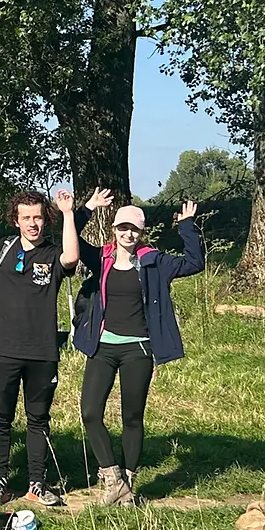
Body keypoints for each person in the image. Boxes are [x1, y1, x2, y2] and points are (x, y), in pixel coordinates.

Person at [72, 200, 203, 506]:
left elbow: (195, 262)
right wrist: (86, 208)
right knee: (90, 412)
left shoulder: (154, 261)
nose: (128, 234)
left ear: (142, 232)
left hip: (138, 348)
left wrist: (186, 226)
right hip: (102, 346)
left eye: (134, 229)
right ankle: (112, 479)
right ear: (114, 229)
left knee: (132, 417)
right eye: (123, 228)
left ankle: (128, 483)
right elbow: (71, 236)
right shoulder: (101, 258)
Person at [0, 187, 87, 507]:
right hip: (3, 348)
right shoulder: (4, 248)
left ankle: (36, 483)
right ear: (16, 221)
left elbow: (72, 258)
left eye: (37, 217)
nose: (32, 223)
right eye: (26, 218)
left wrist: (69, 213)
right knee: (1, 417)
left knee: (38, 419)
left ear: (46, 220)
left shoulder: (51, 253)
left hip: (42, 351)